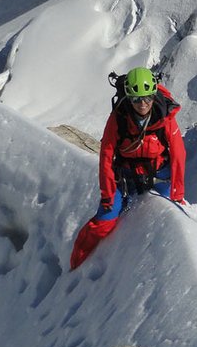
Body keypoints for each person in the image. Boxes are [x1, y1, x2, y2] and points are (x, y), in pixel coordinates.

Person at [69, 67, 186, 270]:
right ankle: (75, 264)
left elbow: (178, 154)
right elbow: (106, 156)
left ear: (154, 94)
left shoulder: (165, 116)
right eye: (137, 100)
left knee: (178, 212)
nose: (143, 104)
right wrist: (107, 194)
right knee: (104, 221)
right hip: (126, 175)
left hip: (159, 172)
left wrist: (177, 193)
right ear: (129, 99)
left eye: (147, 98)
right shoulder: (119, 119)